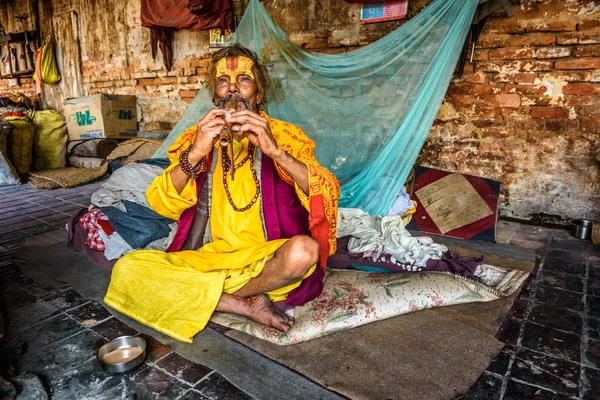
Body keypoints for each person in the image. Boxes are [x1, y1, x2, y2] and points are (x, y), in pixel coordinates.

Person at [104, 44, 340, 343]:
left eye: (244, 79)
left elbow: (328, 191)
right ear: (215, 94)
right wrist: (196, 153)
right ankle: (242, 302)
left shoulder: (285, 135)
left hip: (267, 261)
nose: (232, 88)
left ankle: (214, 295)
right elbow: (160, 203)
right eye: (223, 80)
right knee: (128, 268)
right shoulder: (197, 136)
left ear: (259, 93)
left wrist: (275, 151)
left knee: (304, 252)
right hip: (209, 259)